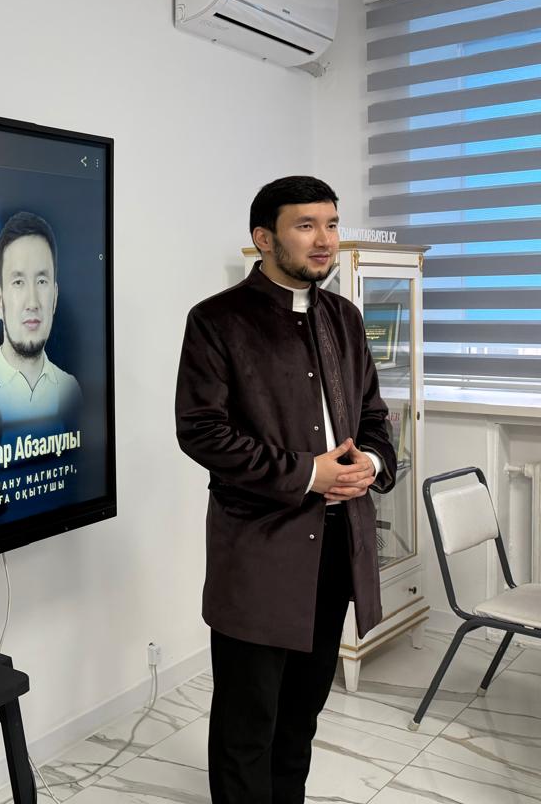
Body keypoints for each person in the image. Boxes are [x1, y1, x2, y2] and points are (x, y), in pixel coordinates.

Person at [175, 176, 397, 804]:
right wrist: (308, 474)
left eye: (332, 223)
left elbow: (374, 416)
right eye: (306, 225)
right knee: (248, 721)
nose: (325, 239)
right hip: (259, 551)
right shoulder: (217, 320)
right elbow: (201, 432)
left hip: (336, 547)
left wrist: (369, 463)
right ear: (264, 238)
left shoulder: (345, 318)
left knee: (302, 713)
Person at [0, 211, 80, 425]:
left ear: (54, 297)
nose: (32, 302)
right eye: (18, 282)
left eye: (41, 281)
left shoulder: (69, 389)